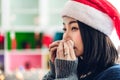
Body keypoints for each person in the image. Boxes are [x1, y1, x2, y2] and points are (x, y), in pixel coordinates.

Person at [42, 0, 120, 80]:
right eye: (65, 29)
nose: (65, 37)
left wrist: (66, 76)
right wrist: (55, 72)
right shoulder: (80, 72)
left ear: (93, 33)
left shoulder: (115, 74)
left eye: (74, 28)